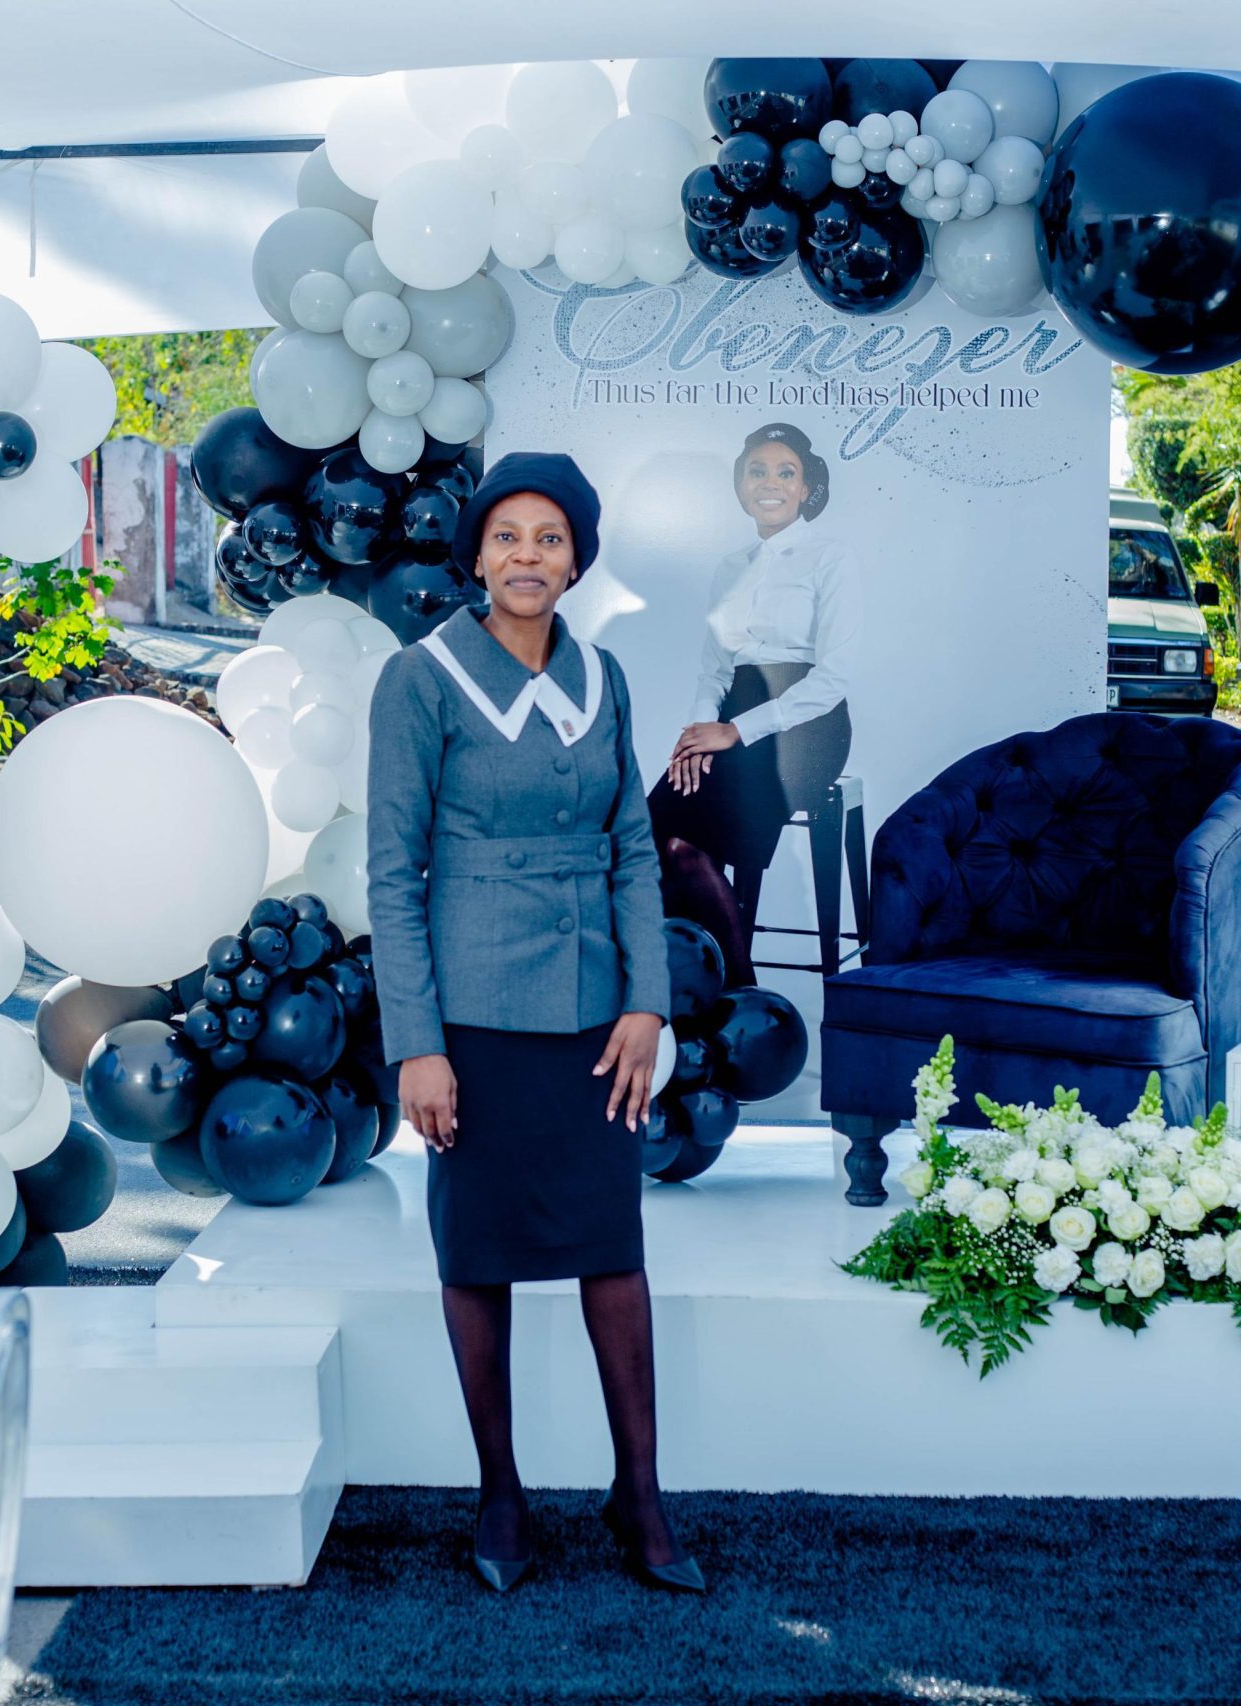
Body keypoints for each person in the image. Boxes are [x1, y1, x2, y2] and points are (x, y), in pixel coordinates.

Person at [365, 451, 703, 1596]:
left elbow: (630, 848)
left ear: (576, 560)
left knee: (613, 1250)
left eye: (548, 537)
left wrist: (647, 1001)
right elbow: (391, 873)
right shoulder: (419, 679)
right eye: (505, 534)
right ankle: (499, 1489)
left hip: (594, 1014)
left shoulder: (603, 676)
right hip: (471, 1017)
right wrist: (417, 1043)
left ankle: (639, 1491)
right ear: (475, 554)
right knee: (479, 1251)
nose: (526, 555)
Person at [648, 422, 860, 984]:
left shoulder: (830, 558)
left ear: (806, 488)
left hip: (806, 728)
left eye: (786, 473)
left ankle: (742, 995)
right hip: (729, 720)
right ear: (741, 486)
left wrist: (736, 731)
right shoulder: (729, 567)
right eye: (757, 471)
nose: (771, 482)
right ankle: (705, 987)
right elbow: (715, 671)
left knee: (688, 837)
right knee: (654, 840)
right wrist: (699, 733)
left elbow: (833, 677)